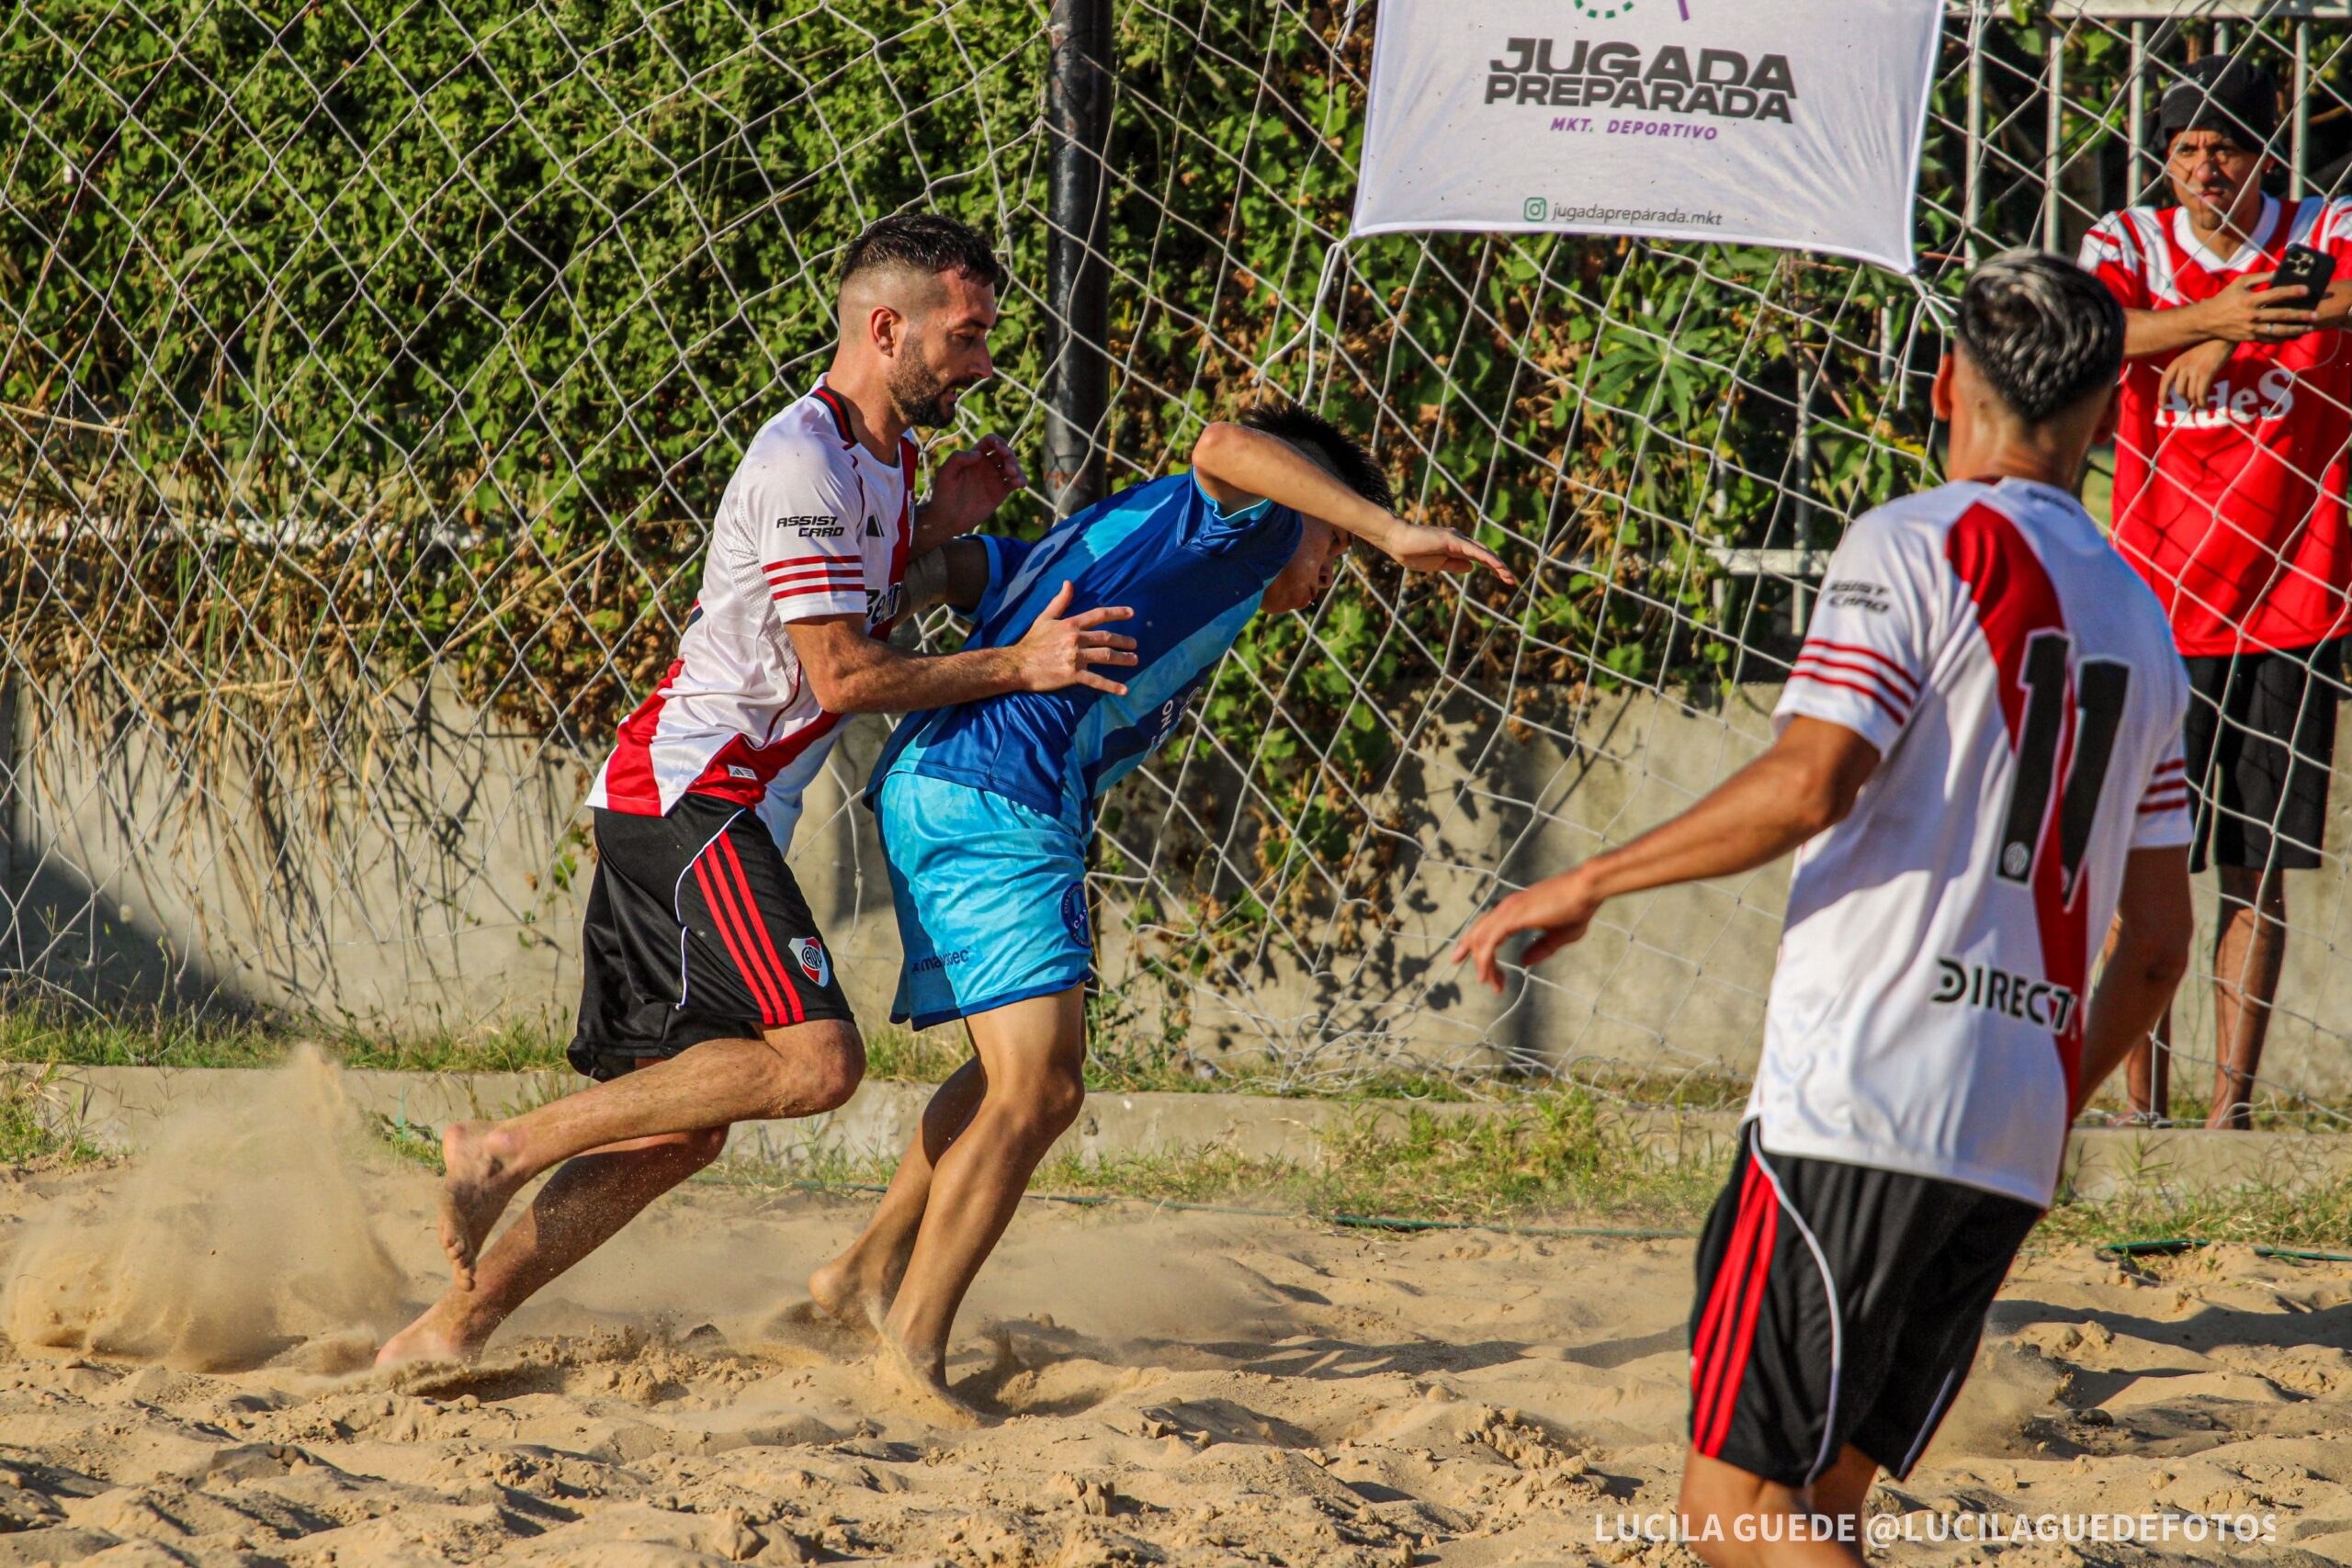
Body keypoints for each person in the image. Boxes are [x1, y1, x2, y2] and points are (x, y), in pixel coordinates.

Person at [1455, 253, 2194, 1567]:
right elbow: (2159, 946)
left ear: (1946, 384)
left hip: (1863, 1092)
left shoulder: (1917, 538)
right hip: (2013, 1119)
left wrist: (1582, 878)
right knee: (1822, 1505)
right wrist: (2036, 1090)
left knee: (1736, 1514)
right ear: (2110, 413)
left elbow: (1809, 783)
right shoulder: (2143, 619)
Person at [376, 213, 1142, 1366]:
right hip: (692, 795)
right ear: (886, 329)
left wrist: (937, 528)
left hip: (703, 803)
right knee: (819, 1062)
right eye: (966, 337)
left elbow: (852, 605)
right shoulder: (803, 459)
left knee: (679, 1134)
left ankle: (446, 1331)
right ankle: (499, 1148)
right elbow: (843, 673)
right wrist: (1020, 664)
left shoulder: (889, 461)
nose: (982, 363)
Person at [806, 403, 1513, 1421]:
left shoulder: (1115, 539)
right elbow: (1223, 441)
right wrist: (1385, 528)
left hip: (939, 781)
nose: (1322, 585)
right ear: (1302, 497)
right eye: (1335, 554)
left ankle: (862, 1274)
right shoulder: (1248, 520)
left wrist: (911, 564)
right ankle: (911, 1350)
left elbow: (969, 574)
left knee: (1008, 1076)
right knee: (1042, 1093)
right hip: (998, 793)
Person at [2078, 55, 2352, 1128]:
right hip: (2154, 602)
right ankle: (2134, 1103)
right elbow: (2094, 330)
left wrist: (2265, 315)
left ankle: (2226, 1112)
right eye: (2184, 150)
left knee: (2256, 869)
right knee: (2139, 869)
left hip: (2293, 602)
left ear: (2259, 155)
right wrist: (2208, 321)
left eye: (2221, 149)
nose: (2201, 168)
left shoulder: (2317, 230)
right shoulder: (2129, 242)